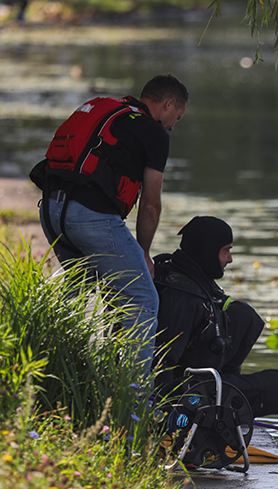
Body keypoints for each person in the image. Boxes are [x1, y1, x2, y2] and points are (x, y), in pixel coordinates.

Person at [31, 74, 188, 371]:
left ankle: (58, 370)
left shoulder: (106, 109)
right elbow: (151, 204)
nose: (172, 125)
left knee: (80, 291)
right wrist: (143, 252)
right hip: (89, 215)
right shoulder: (154, 133)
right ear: (168, 104)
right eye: (176, 117)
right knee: (143, 299)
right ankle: (134, 399)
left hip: (51, 210)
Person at [153, 216, 278, 418]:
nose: (230, 259)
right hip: (186, 394)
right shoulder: (183, 297)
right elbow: (161, 364)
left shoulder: (187, 276)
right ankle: (220, 409)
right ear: (207, 251)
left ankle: (225, 393)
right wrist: (164, 413)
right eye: (225, 250)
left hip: (195, 375)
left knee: (244, 315)